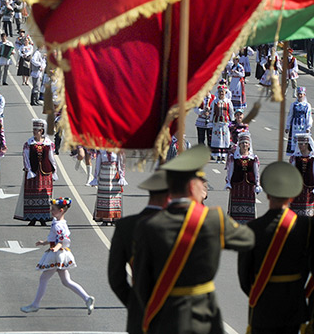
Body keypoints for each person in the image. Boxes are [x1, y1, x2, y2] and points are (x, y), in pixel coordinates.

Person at [132, 146, 255, 334]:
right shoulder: (213, 219)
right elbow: (248, 240)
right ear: (192, 187)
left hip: (165, 316)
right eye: (201, 184)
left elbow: (140, 281)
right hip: (204, 317)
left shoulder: (149, 226)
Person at [237, 161, 311, 334]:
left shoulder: (252, 228)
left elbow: (244, 276)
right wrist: (296, 287)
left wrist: (262, 292)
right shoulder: (305, 227)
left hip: (263, 306)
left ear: (268, 196)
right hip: (294, 305)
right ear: (293, 196)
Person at [108, 170, 170, 334]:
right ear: (170, 196)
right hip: (175, 317)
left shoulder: (125, 226)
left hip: (140, 316)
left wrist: (135, 302)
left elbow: (116, 278)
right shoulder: (182, 226)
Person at [20, 197, 95, 314]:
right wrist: (44, 242)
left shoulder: (58, 225)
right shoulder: (59, 222)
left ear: (61, 211)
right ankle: (87, 298)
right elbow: (55, 238)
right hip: (60, 253)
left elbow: (61, 240)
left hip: (57, 254)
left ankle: (35, 304)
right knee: (66, 281)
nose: (51, 211)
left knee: (44, 278)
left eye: (53, 209)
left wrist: (55, 248)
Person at [15, 119, 57, 224]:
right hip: (33, 172)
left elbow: (51, 158)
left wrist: (54, 171)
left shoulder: (49, 143)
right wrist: (28, 169)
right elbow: (26, 157)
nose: (35, 132)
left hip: (45, 173)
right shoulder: (29, 143)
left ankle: (44, 218)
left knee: (44, 194)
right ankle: (32, 218)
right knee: (32, 193)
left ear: (42, 131)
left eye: (37, 130)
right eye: (34, 130)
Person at [225, 131, 260, 223]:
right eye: (242, 143)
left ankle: (249, 223)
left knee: (249, 206)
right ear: (239, 145)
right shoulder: (234, 157)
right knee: (235, 206)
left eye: (246, 143)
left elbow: (256, 172)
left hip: (249, 187)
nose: (244, 145)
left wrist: (257, 185)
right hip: (237, 185)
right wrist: (228, 182)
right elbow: (230, 171)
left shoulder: (253, 158)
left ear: (249, 145)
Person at [89, 150, 127, 225]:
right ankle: (105, 219)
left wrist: (122, 177)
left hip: (114, 176)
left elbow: (121, 164)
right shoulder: (101, 151)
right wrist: (96, 177)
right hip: (104, 175)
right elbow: (98, 164)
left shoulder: (118, 151)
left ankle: (114, 218)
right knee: (104, 196)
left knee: (114, 196)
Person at [289, 132, 314, 216]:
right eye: (298, 143)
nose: (300, 146)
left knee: (308, 212)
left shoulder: (312, 159)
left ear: (307, 144)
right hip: (297, 189)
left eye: (302, 143)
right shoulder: (295, 158)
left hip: (309, 189)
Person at [209, 85, 234, 163]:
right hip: (217, 123)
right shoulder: (215, 102)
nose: (221, 93)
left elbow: (231, 112)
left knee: (225, 140)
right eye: (220, 92)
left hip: (225, 123)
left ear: (225, 92)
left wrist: (232, 122)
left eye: (222, 92)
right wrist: (210, 122)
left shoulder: (228, 102)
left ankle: (223, 157)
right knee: (218, 140)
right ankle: (218, 156)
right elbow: (212, 112)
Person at [285, 86, 312, 156]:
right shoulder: (293, 105)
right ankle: (294, 155)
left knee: (302, 141)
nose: (300, 95)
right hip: (295, 126)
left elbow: (308, 116)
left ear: (304, 95)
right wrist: (287, 126)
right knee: (294, 141)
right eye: (298, 94)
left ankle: (302, 154)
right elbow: (290, 115)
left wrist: (308, 127)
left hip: (303, 126)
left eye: (301, 94)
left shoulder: (307, 105)